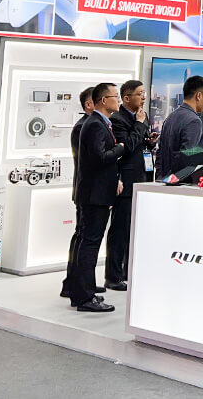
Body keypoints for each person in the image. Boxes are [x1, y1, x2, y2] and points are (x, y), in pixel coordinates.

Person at [69, 83, 126, 312]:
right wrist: (120, 148)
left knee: (88, 242)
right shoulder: (94, 124)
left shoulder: (100, 123)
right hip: (94, 195)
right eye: (115, 96)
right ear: (104, 100)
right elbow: (100, 158)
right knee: (89, 244)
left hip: (97, 193)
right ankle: (84, 297)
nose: (118, 101)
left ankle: (82, 292)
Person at [105, 80, 157, 292]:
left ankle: (128, 271)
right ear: (126, 98)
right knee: (120, 230)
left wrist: (150, 141)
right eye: (139, 94)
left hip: (142, 177)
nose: (143, 97)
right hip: (125, 181)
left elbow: (139, 143)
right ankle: (113, 276)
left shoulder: (140, 117)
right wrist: (139, 124)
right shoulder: (118, 119)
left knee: (134, 230)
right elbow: (126, 147)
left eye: (144, 93)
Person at [60, 87, 101, 299]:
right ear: (89, 104)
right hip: (88, 190)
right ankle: (76, 286)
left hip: (87, 189)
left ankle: (78, 283)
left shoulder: (88, 125)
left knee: (82, 236)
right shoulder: (84, 126)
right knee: (84, 237)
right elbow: (92, 160)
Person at [155, 75, 203, 183]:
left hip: (166, 182)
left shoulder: (170, 117)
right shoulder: (194, 121)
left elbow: (160, 154)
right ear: (199, 96)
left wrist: (162, 179)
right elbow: (188, 161)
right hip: (183, 185)